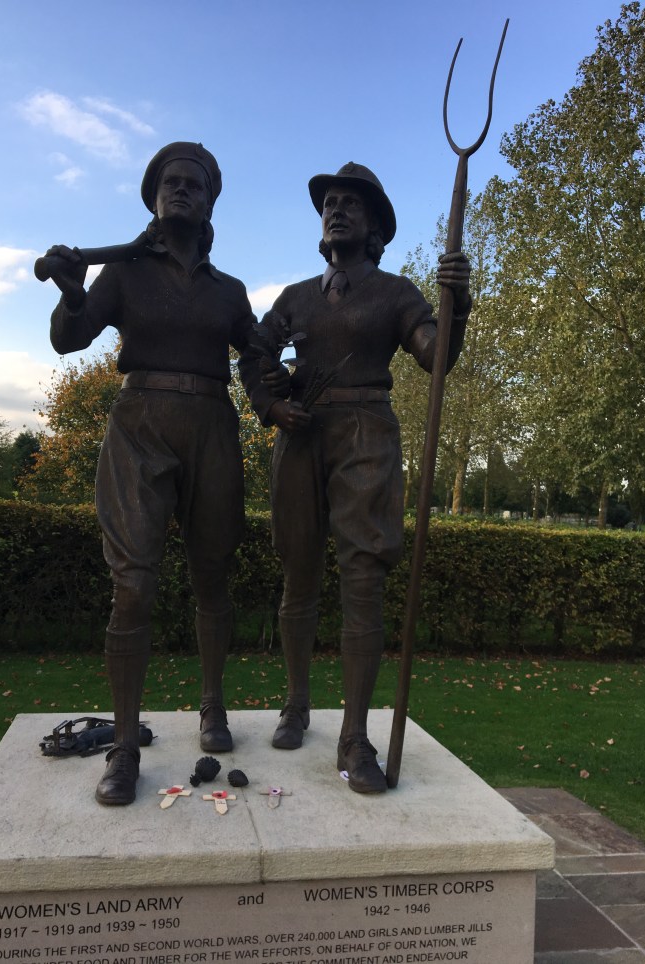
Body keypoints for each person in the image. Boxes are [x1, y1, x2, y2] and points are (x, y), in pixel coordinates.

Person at [46, 142, 283, 806]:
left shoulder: (228, 292)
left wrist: (278, 383)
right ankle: (123, 746)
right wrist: (71, 292)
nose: (181, 190)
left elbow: (258, 355)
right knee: (133, 587)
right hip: (139, 427)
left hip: (210, 426)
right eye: (169, 182)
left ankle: (212, 706)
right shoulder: (122, 275)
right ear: (153, 198)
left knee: (213, 576)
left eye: (194, 184)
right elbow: (70, 339)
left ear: (209, 202)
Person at [240, 162, 471, 794]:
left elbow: (436, 357)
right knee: (299, 575)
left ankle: (355, 736)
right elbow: (253, 352)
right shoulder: (294, 297)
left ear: (374, 228)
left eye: (351, 205)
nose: (335, 211)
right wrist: (269, 404)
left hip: (367, 433)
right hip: (301, 437)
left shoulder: (397, 292)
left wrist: (459, 303)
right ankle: (296, 701)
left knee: (363, 579)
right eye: (329, 203)